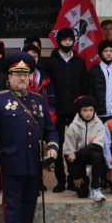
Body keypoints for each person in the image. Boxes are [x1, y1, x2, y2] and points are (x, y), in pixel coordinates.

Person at [0, 52, 60, 223]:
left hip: (33, 163)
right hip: (11, 162)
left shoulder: (38, 101)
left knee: (29, 205)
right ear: (9, 76)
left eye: (26, 74)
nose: (22, 78)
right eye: (17, 74)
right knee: (13, 206)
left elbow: (51, 130)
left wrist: (53, 147)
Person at [46, 27, 89, 193]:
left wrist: (83, 108)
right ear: (59, 42)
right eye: (64, 40)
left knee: (75, 147)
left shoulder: (80, 62)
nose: (67, 43)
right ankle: (60, 180)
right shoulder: (51, 62)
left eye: (70, 40)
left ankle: (73, 178)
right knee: (57, 146)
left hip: (75, 112)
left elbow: (84, 86)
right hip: (57, 111)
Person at [63, 95, 109, 201]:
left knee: (97, 155)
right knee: (82, 194)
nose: (88, 113)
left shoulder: (99, 124)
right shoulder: (73, 127)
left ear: (94, 110)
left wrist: (76, 154)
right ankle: (85, 176)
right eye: (85, 110)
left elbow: (98, 146)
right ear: (79, 111)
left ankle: (95, 187)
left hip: (91, 156)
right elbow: (68, 154)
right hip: (77, 161)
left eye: (91, 110)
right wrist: (76, 176)